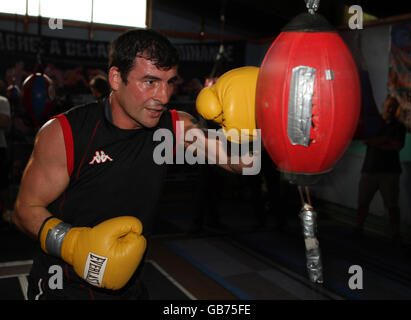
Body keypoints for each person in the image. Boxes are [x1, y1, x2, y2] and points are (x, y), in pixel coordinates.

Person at [13, 29, 259, 300]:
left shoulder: (172, 127)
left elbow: (244, 162)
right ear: (116, 78)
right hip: (64, 286)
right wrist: (71, 244)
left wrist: (256, 121)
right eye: (150, 82)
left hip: (129, 284)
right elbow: (25, 210)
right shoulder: (66, 133)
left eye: (169, 82)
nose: (163, 96)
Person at [355, 94, 406, 244]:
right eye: (388, 106)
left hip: (390, 172)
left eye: (393, 107)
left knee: (392, 205)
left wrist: (377, 142)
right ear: (383, 105)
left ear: (396, 109)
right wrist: (385, 141)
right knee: (363, 202)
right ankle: (358, 228)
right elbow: (366, 140)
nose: (389, 109)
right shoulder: (373, 122)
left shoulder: (399, 126)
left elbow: (397, 146)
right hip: (370, 169)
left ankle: (396, 234)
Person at [0, 93, 11, 226]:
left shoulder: (2, 101)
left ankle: (6, 213)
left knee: (2, 182)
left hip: (0, 147)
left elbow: (5, 122)